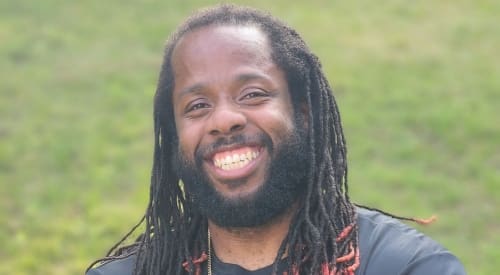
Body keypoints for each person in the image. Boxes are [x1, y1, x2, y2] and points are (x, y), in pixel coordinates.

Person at [86, 4, 466, 275]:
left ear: (303, 111)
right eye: (197, 105)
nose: (224, 119)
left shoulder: (406, 267)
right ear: (174, 138)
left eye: (252, 93)